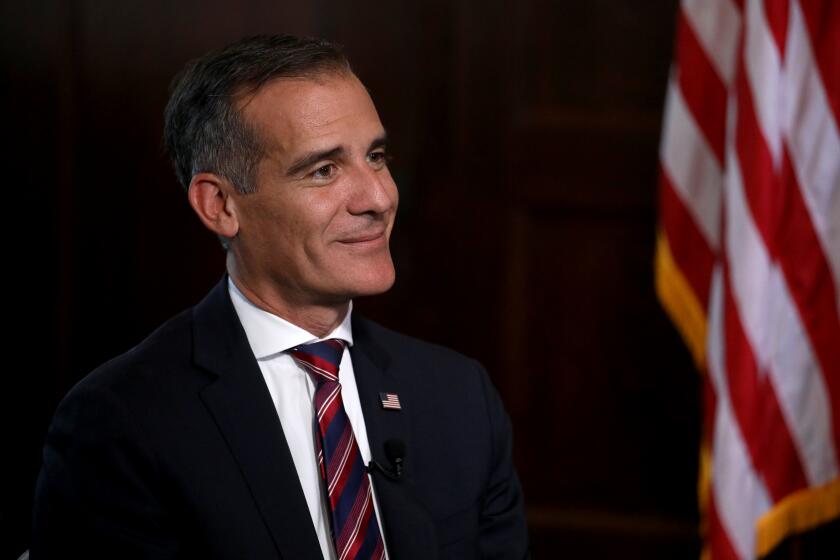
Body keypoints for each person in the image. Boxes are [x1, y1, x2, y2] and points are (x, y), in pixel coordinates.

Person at [31, 34, 528, 559]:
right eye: (324, 170)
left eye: (375, 156)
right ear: (220, 205)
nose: (379, 198)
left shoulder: (459, 397)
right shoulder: (121, 422)